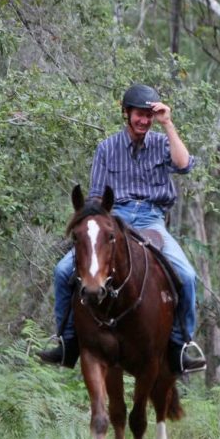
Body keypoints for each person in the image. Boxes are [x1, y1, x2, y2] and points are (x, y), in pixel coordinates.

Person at [37, 84, 206, 374]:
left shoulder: (162, 143)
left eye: (148, 115)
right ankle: (65, 343)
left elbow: (183, 164)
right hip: (115, 218)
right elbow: (95, 198)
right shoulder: (106, 148)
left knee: (188, 277)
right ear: (126, 113)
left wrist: (167, 123)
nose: (143, 120)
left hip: (152, 220)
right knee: (63, 271)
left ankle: (180, 347)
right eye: (139, 114)